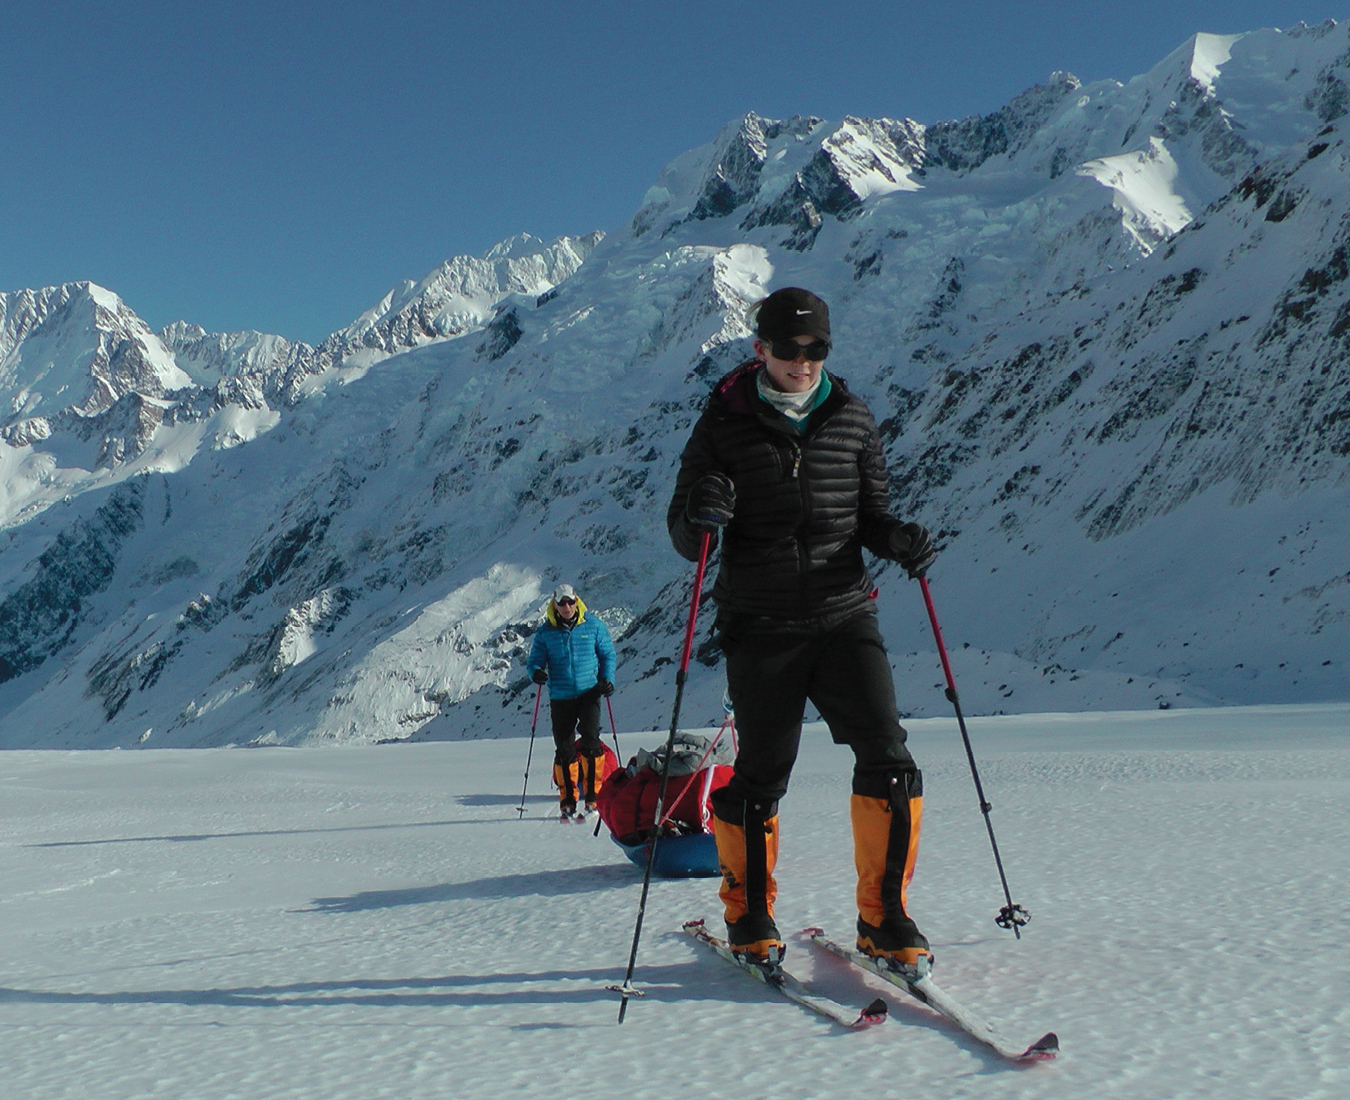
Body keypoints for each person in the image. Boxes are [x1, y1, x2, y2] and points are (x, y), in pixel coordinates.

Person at [667, 286, 938, 968]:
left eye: (815, 349)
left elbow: (870, 513)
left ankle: (886, 917)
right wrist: (703, 508)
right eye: (788, 350)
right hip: (760, 622)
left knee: (891, 762)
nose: (802, 362)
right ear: (760, 350)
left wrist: (896, 537)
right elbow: (682, 530)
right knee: (760, 774)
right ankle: (750, 914)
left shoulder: (851, 418)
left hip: (845, 613)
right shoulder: (722, 423)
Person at [526, 583, 618, 822]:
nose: (566, 607)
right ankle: (568, 800)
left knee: (591, 742)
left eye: (570, 602)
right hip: (561, 697)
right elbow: (535, 661)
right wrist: (536, 672)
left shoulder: (593, 625)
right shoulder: (546, 633)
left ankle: (593, 796)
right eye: (561, 603)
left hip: (589, 693)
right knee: (565, 749)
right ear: (554, 604)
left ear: (576, 600)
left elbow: (607, 654)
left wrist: (607, 679)